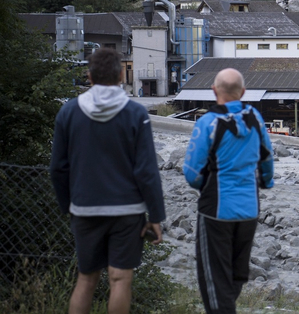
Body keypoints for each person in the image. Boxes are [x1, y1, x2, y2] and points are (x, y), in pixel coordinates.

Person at [50, 48, 165, 314]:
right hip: (128, 211)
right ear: (121, 75)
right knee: (120, 279)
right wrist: (156, 215)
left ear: (89, 76)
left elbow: (57, 168)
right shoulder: (136, 114)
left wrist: (68, 205)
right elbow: (147, 171)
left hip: (85, 208)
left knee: (86, 278)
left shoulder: (68, 112)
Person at [183, 68, 274, 314]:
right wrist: (266, 182)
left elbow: (192, 172)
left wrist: (207, 187)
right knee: (236, 276)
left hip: (216, 211)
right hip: (249, 209)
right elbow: (267, 158)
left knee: (213, 281)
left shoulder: (207, 123)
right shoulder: (255, 117)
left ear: (214, 91)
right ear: (243, 92)